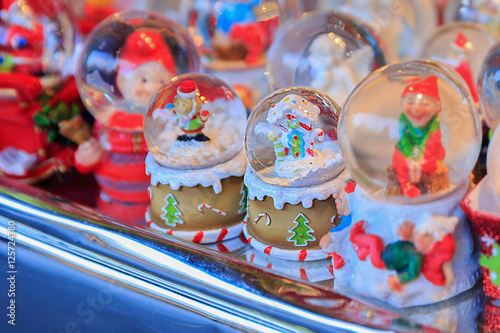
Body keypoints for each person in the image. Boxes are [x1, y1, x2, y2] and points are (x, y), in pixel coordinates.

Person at [75, 29, 176, 217]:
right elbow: (86, 162)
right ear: (122, 81)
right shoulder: (108, 119)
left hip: (157, 204)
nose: (152, 88)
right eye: (143, 79)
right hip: (110, 205)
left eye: (161, 80)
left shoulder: (168, 122)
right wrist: (86, 156)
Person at [391, 75, 448, 198]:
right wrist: (411, 156)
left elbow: (431, 140)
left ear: (436, 107)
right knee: (400, 163)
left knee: (429, 165)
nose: (417, 109)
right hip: (406, 150)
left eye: (425, 103)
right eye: (410, 102)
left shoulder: (434, 121)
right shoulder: (403, 119)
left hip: (428, 152)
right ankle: (406, 186)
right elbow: (404, 139)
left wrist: (420, 158)